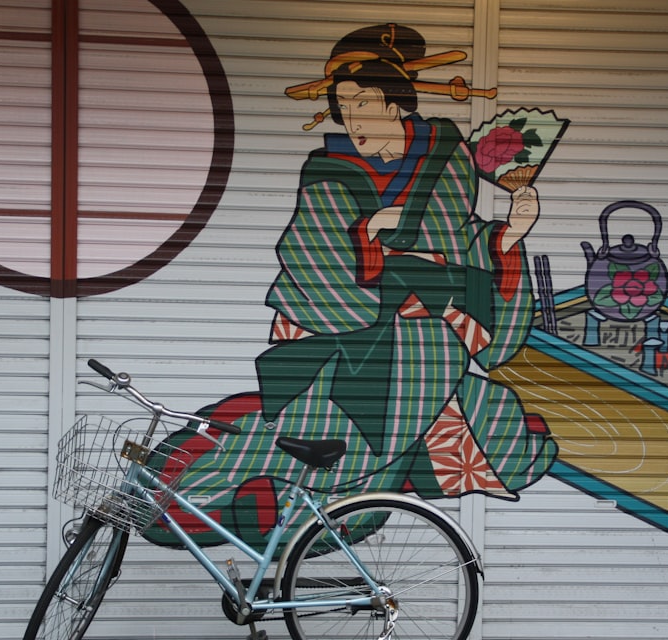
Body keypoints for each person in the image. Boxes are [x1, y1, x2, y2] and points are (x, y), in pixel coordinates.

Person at [144, 24, 556, 549]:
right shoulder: (328, 171)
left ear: (395, 102)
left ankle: (315, 533)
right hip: (340, 337)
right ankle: (218, 501)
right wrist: (368, 236)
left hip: (423, 344)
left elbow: (462, 237)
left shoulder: (446, 159)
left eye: (364, 102)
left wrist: (508, 239)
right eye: (343, 104)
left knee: (494, 437)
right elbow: (312, 255)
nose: (353, 118)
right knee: (305, 431)